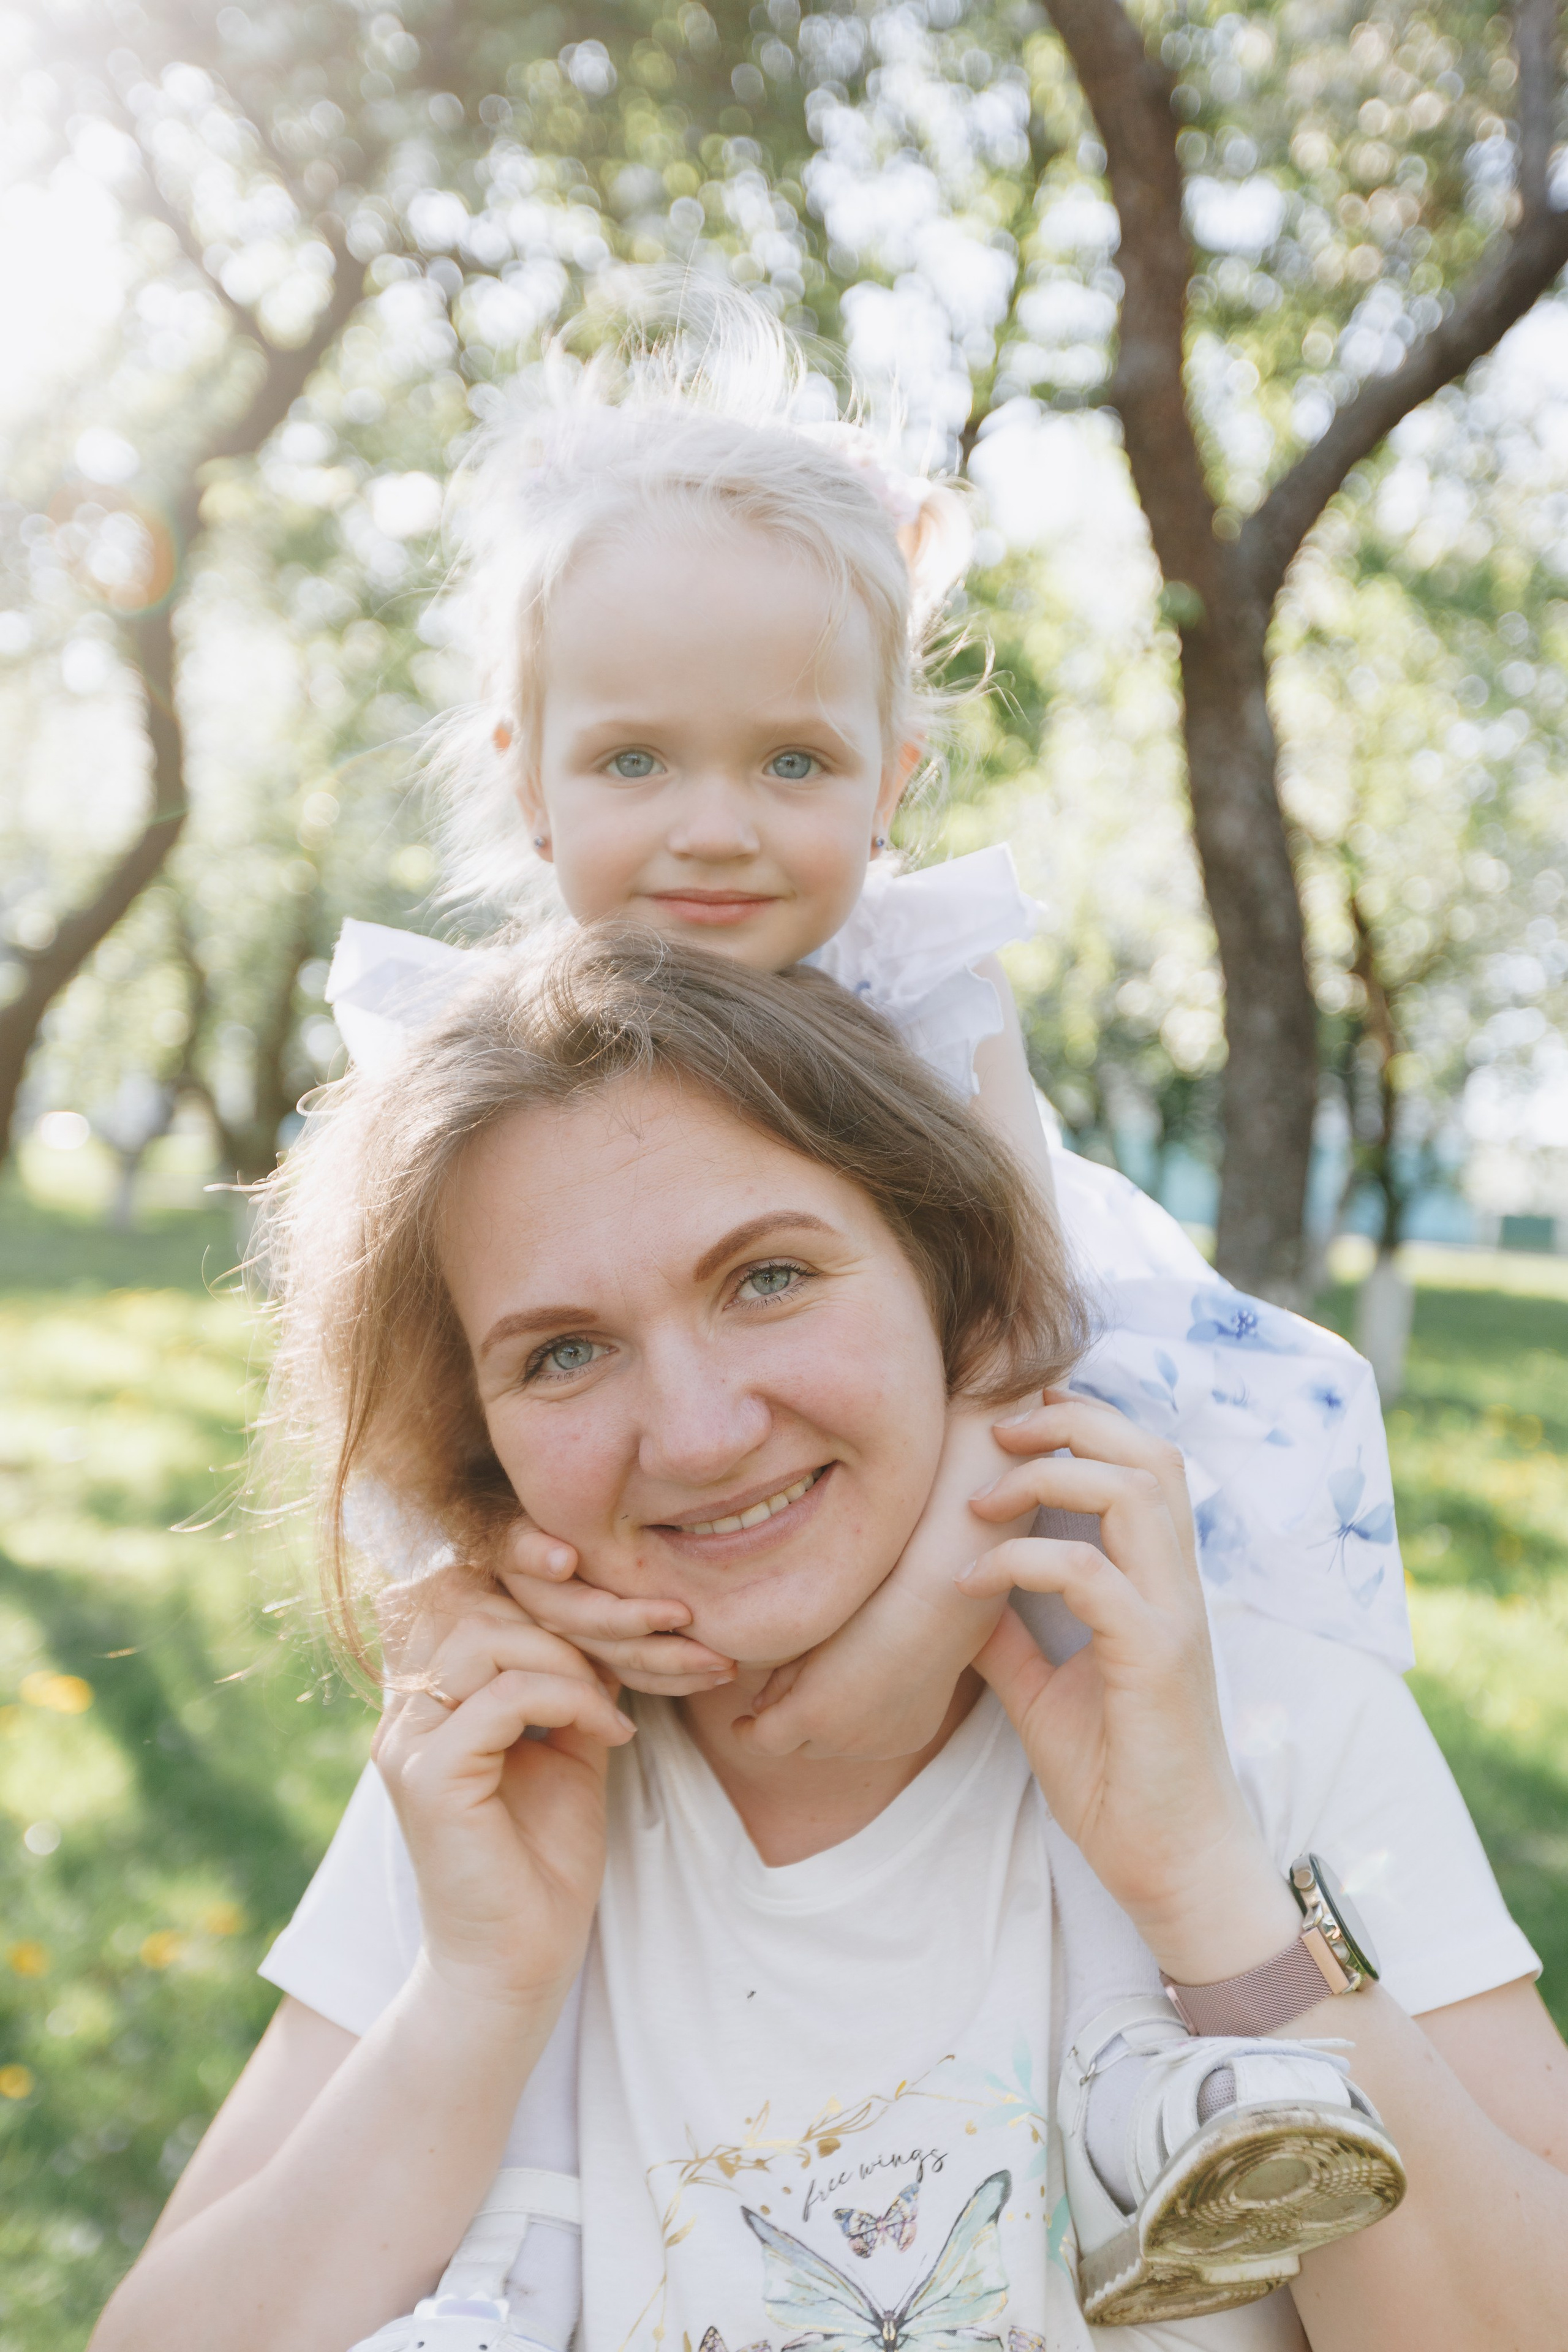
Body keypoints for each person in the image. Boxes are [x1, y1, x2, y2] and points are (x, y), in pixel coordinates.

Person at [303, 298, 1417, 2332]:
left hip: (978, 1503)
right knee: (569, 1914)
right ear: (526, 783)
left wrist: (898, 1651)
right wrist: (537, 1579)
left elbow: (1015, 1336)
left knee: (1219, 1474)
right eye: (637, 758)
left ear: (893, 776)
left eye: (792, 760)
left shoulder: (926, 995)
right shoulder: (477, 1071)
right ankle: (497, 2250)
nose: (716, 827)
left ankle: (1167, 2086)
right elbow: (417, 1418)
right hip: (604, 1621)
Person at [89, 931, 1566, 2352]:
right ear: (477, 1450)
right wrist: (477, 1996)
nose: (698, 1432)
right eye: (563, 1353)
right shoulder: (492, 1784)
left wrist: (1209, 1894)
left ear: (951, 1286)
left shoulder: (1249, 1712)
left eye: (768, 1278)